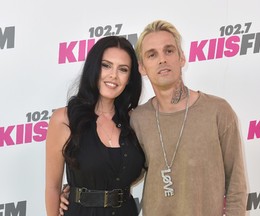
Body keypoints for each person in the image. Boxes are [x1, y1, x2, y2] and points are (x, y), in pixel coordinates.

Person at [59, 20, 247, 216]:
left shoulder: (218, 111)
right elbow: (120, 170)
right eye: (152, 54)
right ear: (141, 67)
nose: (162, 60)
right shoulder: (137, 119)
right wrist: (78, 191)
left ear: (182, 57)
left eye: (169, 51)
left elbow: (236, 183)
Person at [45, 36, 145, 216]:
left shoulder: (135, 121)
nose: (113, 75)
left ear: (130, 78)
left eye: (123, 69)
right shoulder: (64, 119)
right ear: (93, 68)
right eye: (106, 65)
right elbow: (52, 187)